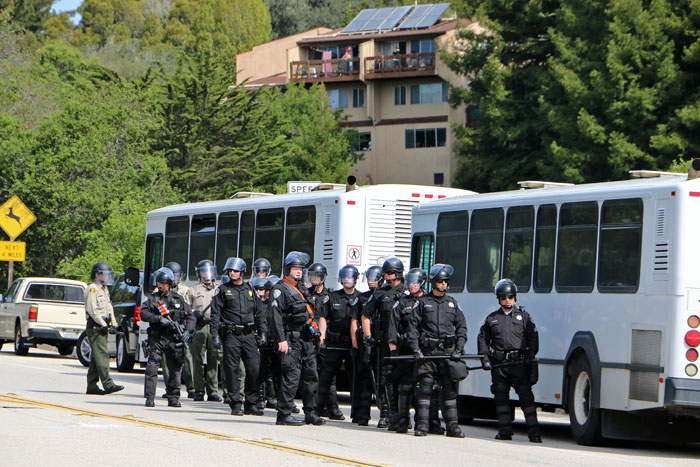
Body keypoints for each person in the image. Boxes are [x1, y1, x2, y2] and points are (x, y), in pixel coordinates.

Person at [478, 278, 542, 443]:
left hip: (519, 364)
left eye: (511, 297)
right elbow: (483, 339)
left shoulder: (525, 317)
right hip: (500, 365)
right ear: (499, 298)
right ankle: (504, 431)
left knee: (527, 399)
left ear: (515, 298)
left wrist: (529, 356)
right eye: (504, 297)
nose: (508, 300)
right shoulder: (492, 319)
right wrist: (484, 358)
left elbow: (533, 338)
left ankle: (534, 434)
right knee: (501, 399)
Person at [407, 263, 467, 438]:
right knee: (425, 390)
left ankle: (453, 427)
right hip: (427, 354)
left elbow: (462, 328)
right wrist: (416, 349)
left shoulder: (452, 304)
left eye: (446, 281)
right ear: (434, 282)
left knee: (449, 392)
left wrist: (459, 349)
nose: (443, 284)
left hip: (447, 354)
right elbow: (413, 329)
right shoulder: (422, 303)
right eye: (440, 281)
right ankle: (422, 426)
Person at [270, 251, 325, 426]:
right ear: (287, 270)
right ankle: (284, 414)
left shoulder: (303, 289)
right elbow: (274, 317)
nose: (299, 272)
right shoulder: (279, 290)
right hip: (290, 338)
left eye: (301, 269)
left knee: (311, 376)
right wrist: (281, 339)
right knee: (291, 376)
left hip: (307, 339)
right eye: (295, 269)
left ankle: (310, 412)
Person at [388, 267, 442, 434]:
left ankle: (429, 421)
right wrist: (393, 349)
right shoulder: (402, 302)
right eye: (410, 282)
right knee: (405, 387)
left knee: (428, 388)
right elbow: (392, 327)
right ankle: (402, 421)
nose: (412, 285)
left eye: (415, 282)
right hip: (406, 351)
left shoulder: (429, 301)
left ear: (422, 283)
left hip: (425, 350)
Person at [210, 257, 267, 416]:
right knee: (232, 369)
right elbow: (216, 314)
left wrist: (263, 332)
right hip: (231, 335)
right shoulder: (222, 290)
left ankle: (251, 403)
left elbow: (260, 312)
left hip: (249, 334)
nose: (232, 273)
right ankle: (235, 403)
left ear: (242, 272)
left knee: (254, 369)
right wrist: (214, 335)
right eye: (230, 271)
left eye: (235, 271)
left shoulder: (250, 289)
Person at [140, 267, 195, 407]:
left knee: (176, 368)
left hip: (174, 338)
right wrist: (158, 319)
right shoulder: (153, 298)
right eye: (159, 283)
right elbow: (143, 313)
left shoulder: (179, 299)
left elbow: (191, 317)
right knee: (152, 367)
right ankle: (150, 398)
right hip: (157, 338)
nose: (161, 286)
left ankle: (173, 397)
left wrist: (188, 331)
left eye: (164, 283)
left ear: (170, 284)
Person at [361, 257, 405, 428]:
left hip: (403, 343)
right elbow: (365, 315)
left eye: (390, 273)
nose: (387, 276)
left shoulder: (407, 293)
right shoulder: (380, 293)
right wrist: (368, 336)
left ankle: (403, 415)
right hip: (383, 343)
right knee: (384, 378)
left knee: (404, 379)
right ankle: (386, 413)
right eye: (385, 273)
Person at [317, 265, 361, 421]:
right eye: (344, 277)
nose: (347, 280)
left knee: (355, 378)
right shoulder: (332, 297)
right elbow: (323, 317)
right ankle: (322, 409)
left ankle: (357, 413)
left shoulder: (361, 297)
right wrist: (321, 337)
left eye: (350, 278)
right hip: (334, 343)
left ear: (355, 279)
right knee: (327, 378)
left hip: (352, 345)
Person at [84, 262, 124, 395]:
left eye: (107, 274)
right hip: (95, 327)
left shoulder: (104, 289)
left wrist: (113, 323)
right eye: (104, 274)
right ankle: (108, 384)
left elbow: (109, 308)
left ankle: (91, 386)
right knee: (103, 356)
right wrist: (104, 324)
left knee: (97, 357)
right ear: (97, 274)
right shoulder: (92, 288)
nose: (106, 277)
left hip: (103, 326)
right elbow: (92, 310)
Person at [308, 262, 341, 419]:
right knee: (311, 373)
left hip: (324, 338)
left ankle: (333, 408)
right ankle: (316, 407)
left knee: (328, 375)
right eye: (313, 275)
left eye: (318, 276)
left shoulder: (330, 295)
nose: (315, 278)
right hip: (309, 336)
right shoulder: (306, 294)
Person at [350, 265, 382, 425]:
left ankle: (385, 415)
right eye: (369, 278)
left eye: (373, 278)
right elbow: (355, 321)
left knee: (382, 380)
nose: (371, 281)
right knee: (363, 380)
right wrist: (356, 344)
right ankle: (361, 415)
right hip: (365, 344)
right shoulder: (362, 298)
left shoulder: (385, 296)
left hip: (381, 343)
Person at [160, 261, 195, 399]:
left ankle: (192, 388)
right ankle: (171, 388)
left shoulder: (185, 290)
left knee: (187, 358)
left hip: (183, 327)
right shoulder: (161, 290)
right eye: (172, 275)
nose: (175, 278)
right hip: (168, 329)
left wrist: (188, 330)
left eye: (177, 275)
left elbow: (189, 309)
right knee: (167, 361)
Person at [190, 260, 223, 402]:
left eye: (208, 271)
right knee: (197, 360)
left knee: (214, 359)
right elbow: (186, 308)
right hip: (200, 327)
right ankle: (198, 390)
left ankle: (213, 391)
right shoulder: (193, 289)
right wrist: (193, 312)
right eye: (203, 271)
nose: (206, 274)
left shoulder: (219, 289)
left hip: (215, 326)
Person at [252, 275, 282, 411]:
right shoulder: (261, 305)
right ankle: (259, 399)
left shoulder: (278, 306)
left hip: (275, 342)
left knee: (277, 373)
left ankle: (275, 399)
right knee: (260, 372)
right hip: (263, 343)